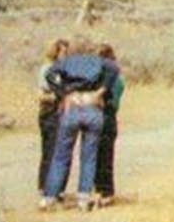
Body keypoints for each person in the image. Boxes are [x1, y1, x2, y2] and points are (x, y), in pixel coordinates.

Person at [42, 44, 120, 211]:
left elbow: (49, 74)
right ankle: (83, 198)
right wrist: (100, 92)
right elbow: (114, 69)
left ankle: (50, 197)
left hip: (73, 107)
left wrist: (64, 93)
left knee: (61, 155)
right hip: (92, 107)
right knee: (89, 156)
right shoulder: (98, 61)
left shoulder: (67, 62)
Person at [93, 44, 125, 205]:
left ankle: (104, 191)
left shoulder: (111, 79)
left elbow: (111, 101)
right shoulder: (115, 78)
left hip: (105, 115)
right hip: (107, 117)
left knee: (101, 156)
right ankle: (102, 190)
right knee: (103, 156)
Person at [36, 37, 69, 192]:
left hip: (58, 113)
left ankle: (52, 186)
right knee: (50, 150)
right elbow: (41, 95)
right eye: (63, 52)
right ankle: (47, 186)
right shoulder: (48, 70)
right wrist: (58, 96)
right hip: (50, 113)